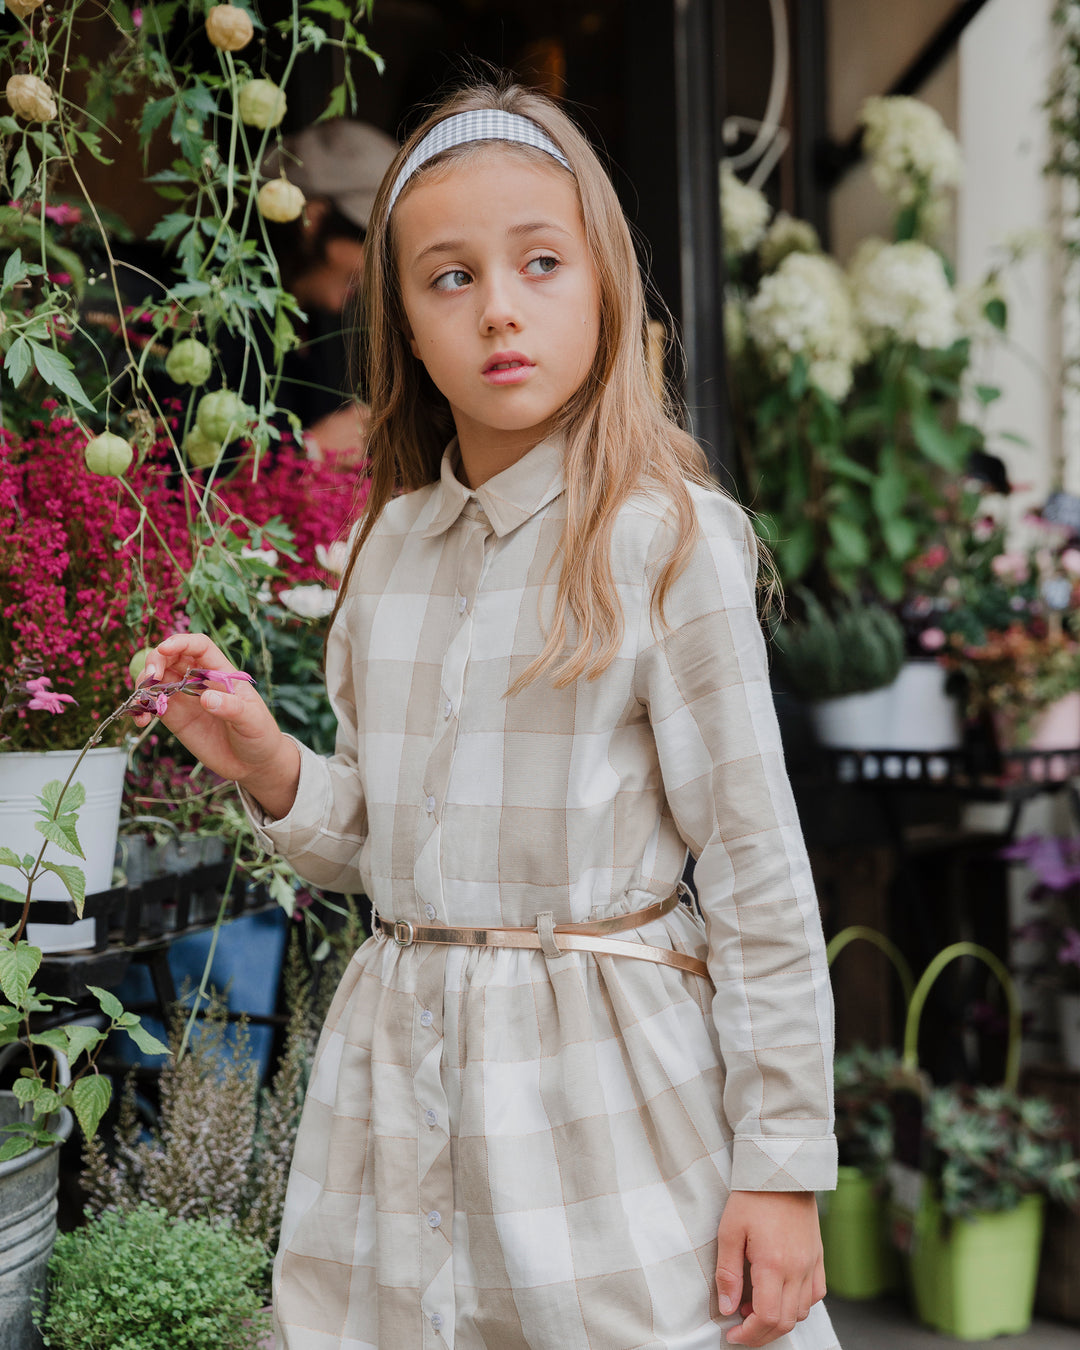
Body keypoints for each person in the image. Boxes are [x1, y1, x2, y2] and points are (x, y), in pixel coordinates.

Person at [137, 78, 839, 1350]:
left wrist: (781, 1167)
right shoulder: (388, 547)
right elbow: (400, 851)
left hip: (608, 1099)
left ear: (606, 287)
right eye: (449, 277)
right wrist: (273, 764)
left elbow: (757, 876)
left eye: (541, 262)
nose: (500, 307)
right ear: (400, 319)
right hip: (398, 1101)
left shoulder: (662, 544)